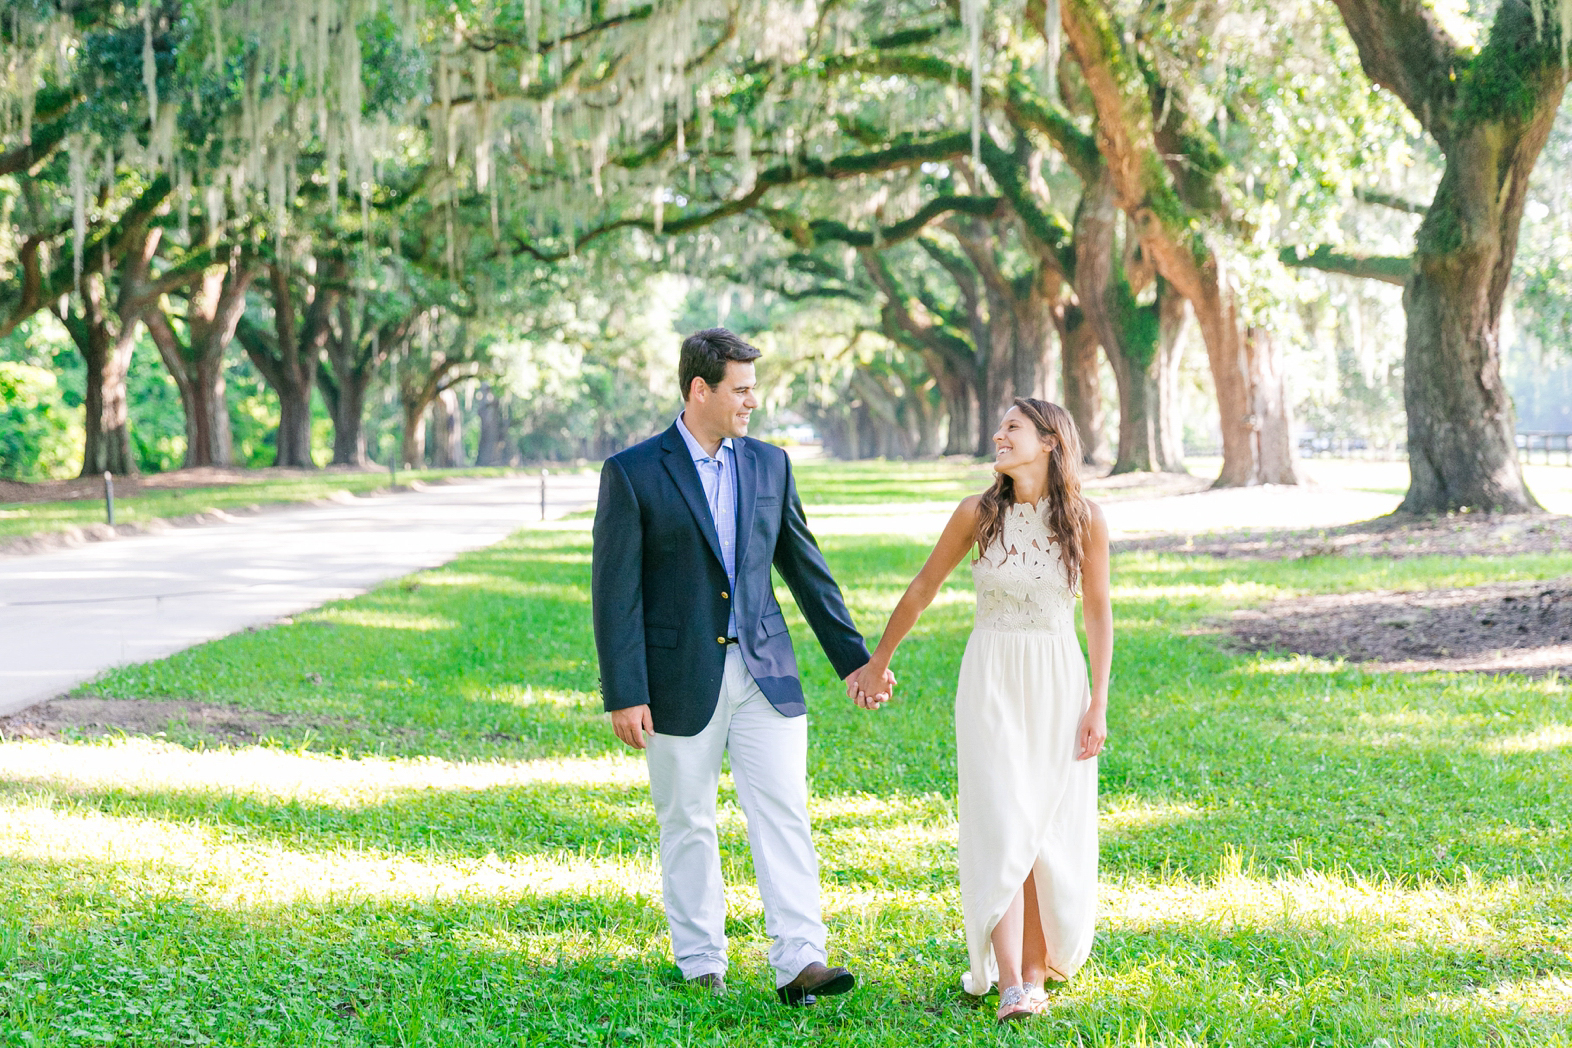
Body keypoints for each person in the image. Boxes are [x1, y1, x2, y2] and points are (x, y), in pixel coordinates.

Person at [592, 328, 895, 1005]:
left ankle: (801, 961)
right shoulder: (634, 472)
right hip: (677, 678)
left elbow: (806, 570)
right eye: (742, 389)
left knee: (784, 810)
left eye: (754, 388)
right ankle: (701, 959)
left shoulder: (770, 465)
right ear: (700, 390)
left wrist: (857, 661)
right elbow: (616, 595)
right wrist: (625, 691)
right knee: (688, 818)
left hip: (767, 673)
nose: (753, 402)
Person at [848, 398, 1111, 1023]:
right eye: (1000, 428)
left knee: (1045, 825)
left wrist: (1098, 700)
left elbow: (1098, 612)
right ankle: (1011, 981)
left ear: (1050, 441)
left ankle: (1039, 973)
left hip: (1056, 677)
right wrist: (878, 660)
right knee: (1000, 816)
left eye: (1012, 428)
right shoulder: (977, 513)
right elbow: (923, 586)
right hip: (990, 674)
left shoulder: (1086, 519)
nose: (999, 435)